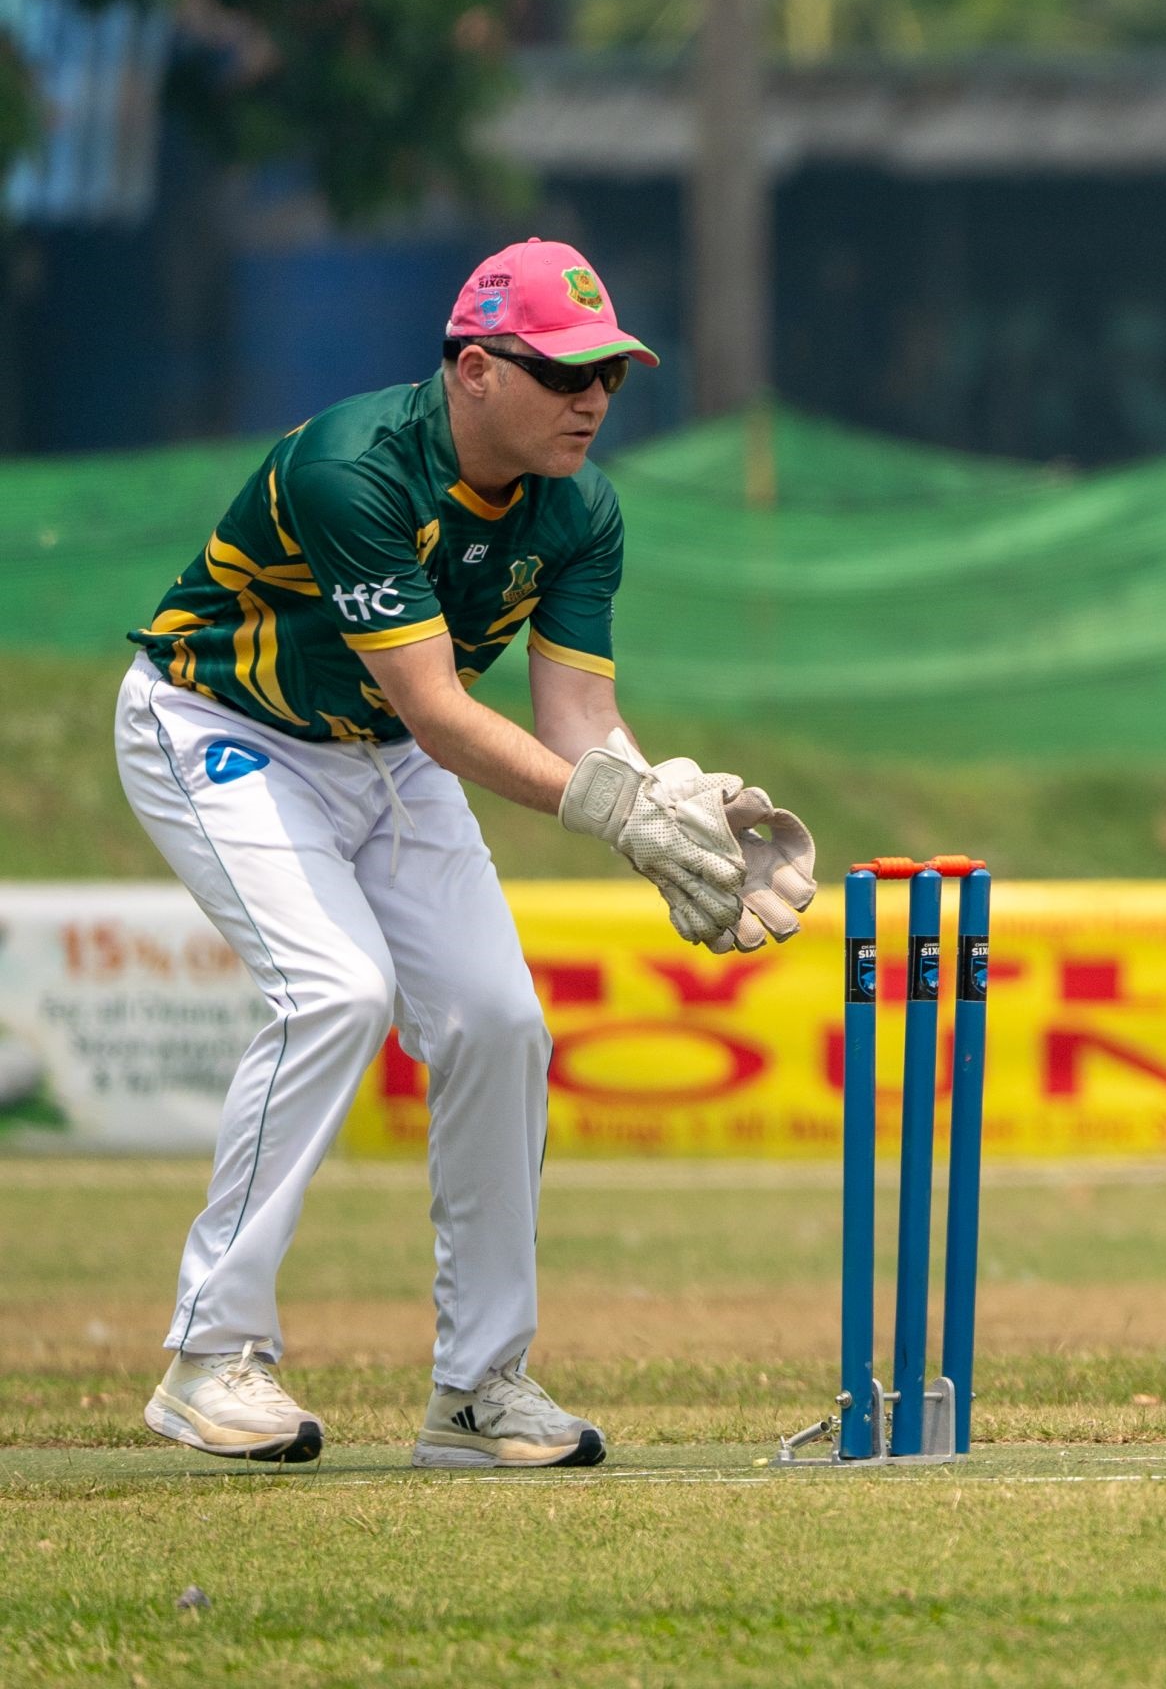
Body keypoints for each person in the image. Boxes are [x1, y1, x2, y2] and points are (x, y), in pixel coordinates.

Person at [119, 239, 817, 1468]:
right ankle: (209, 1355)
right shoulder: (355, 469)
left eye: (609, 374)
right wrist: (620, 813)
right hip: (224, 728)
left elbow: (579, 720)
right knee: (336, 990)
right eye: (565, 373)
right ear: (475, 367)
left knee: (501, 1022)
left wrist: (670, 807)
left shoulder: (581, 509)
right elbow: (444, 711)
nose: (593, 399)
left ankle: (480, 1388)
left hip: (385, 754)